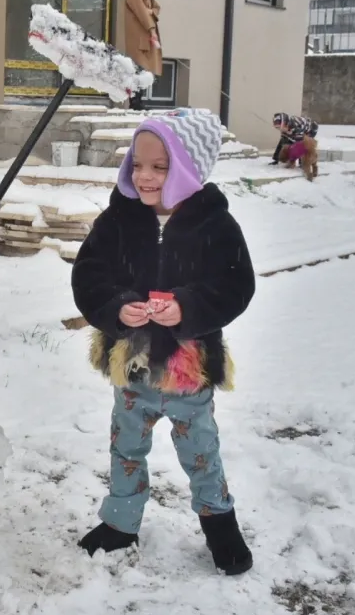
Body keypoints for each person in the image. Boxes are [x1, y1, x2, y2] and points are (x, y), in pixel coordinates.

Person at [71, 108, 256, 576]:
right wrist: (116, 306)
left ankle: (220, 525)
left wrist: (188, 308)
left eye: (159, 166)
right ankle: (121, 522)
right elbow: (89, 275)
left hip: (186, 366)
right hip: (131, 363)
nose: (144, 176)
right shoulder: (118, 219)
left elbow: (236, 286)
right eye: (137, 164)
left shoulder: (214, 224)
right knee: (126, 446)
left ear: (189, 169)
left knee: (200, 451)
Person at [124, 0, 163, 111]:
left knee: (144, 69)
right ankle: (135, 102)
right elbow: (142, 13)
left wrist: (151, 11)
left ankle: (138, 101)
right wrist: (152, 30)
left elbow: (156, 8)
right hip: (138, 37)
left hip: (144, 37)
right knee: (138, 68)